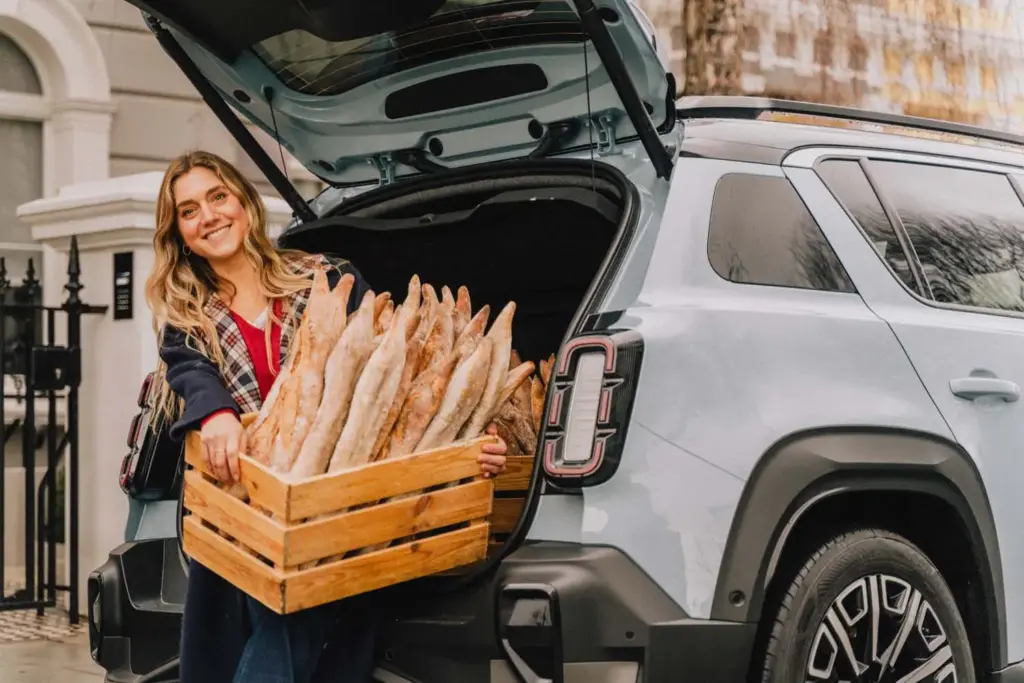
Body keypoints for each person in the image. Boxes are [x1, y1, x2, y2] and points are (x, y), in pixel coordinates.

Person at [144, 150, 509, 683]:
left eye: (218, 197)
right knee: (287, 617)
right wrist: (216, 412)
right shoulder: (188, 316)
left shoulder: (325, 277)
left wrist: (469, 446)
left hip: (345, 501)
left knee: (299, 615)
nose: (209, 216)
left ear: (244, 203)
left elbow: (398, 378)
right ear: (179, 232)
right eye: (189, 210)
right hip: (246, 506)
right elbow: (190, 373)